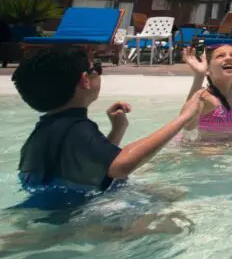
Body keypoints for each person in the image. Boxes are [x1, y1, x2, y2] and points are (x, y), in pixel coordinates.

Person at [12, 47, 204, 209]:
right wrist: (183, 118)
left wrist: (117, 130)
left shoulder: (46, 129)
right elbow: (121, 166)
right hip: (73, 215)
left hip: (56, 208)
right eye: (96, 68)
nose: (99, 73)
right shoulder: (77, 128)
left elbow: (92, 166)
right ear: (84, 80)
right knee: (177, 211)